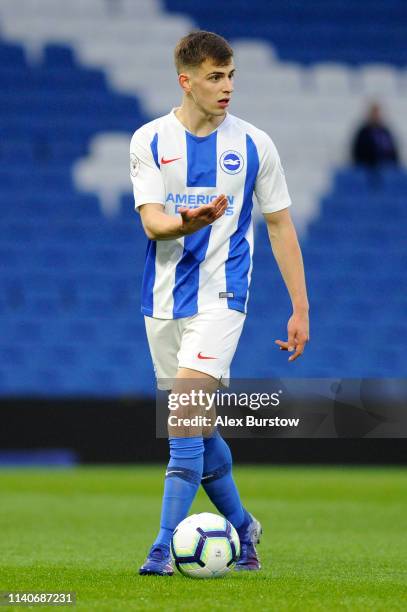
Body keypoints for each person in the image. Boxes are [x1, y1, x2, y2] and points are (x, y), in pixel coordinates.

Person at [130, 30, 309, 576]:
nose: (227, 87)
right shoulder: (150, 140)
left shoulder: (255, 145)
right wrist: (186, 222)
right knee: (198, 428)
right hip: (162, 302)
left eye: (230, 76)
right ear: (186, 81)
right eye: (214, 77)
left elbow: (279, 226)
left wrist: (301, 308)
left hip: (222, 298)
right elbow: (152, 219)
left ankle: (161, 549)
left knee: (184, 415)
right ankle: (245, 526)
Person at [352, 103, 399, 167]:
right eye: (374, 113)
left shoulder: (385, 132)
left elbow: (393, 151)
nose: (376, 116)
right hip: (367, 166)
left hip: (385, 165)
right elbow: (358, 152)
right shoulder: (363, 132)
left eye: (377, 113)